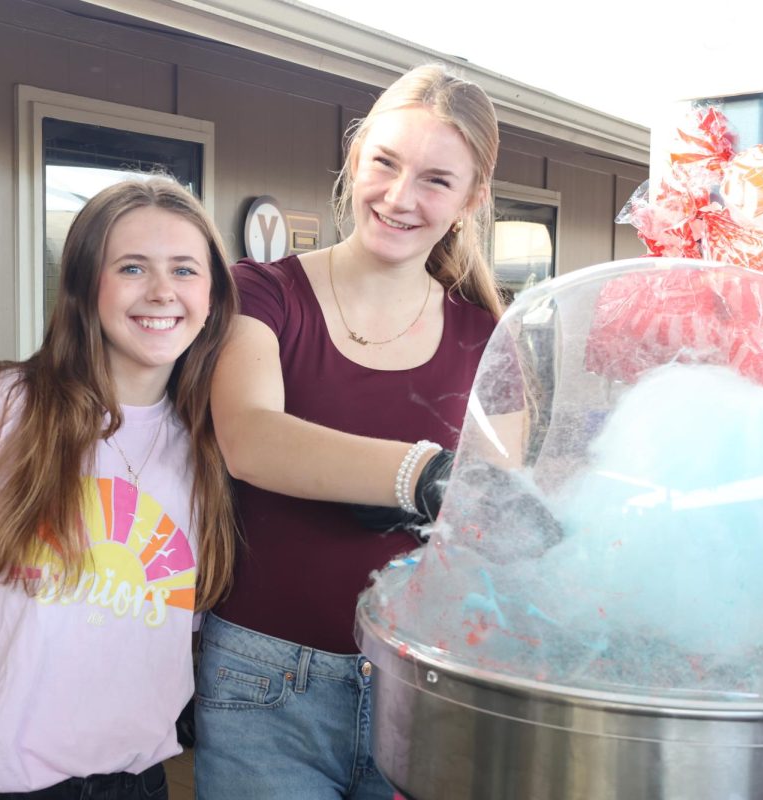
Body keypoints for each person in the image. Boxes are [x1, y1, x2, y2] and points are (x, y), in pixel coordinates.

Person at [0, 177, 239, 800]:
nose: (163, 291)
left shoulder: (216, 448)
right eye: (132, 267)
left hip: (131, 785)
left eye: (185, 269)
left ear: (213, 296)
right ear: (86, 286)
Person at [195, 64, 508, 799]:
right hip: (265, 681)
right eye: (385, 164)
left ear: (473, 198)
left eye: (436, 179)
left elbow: (495, 512)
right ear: (356, 155)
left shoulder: (491, 336)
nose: (400, 198)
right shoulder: (264, 292)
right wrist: (423, 477)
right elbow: (252, 439)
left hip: (432, 688)